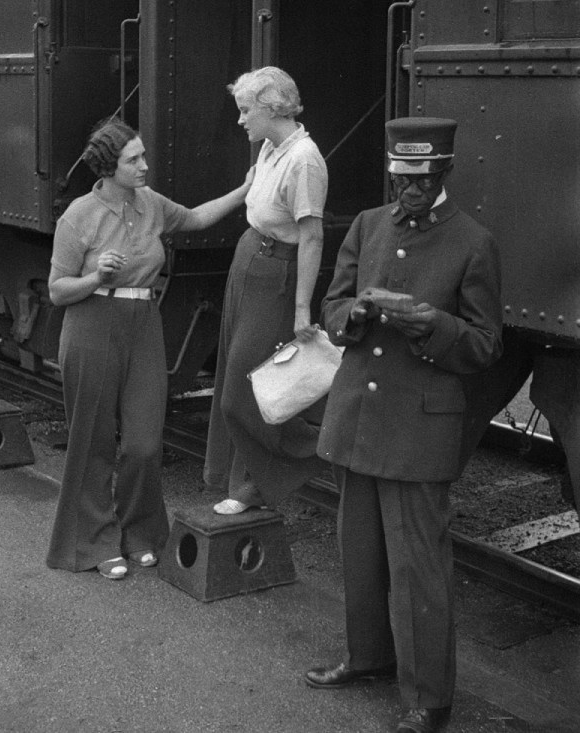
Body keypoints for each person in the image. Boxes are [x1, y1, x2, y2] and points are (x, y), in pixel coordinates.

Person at [305, 117, 503, 733]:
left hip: (418, 429)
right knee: (359, 550)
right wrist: (353, 315)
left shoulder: (472, 242)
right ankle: (367, 658)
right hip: (359, 418)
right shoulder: (368, 225)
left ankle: (428, 698)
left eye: (421, 180)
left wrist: (430, 326)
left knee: (419, 567)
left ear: (443, 173)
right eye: (401, 178)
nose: (409, 190)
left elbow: (485, 346)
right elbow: (331, 305)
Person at [46, 117, 253, 579]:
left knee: (143, 442)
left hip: (144, 324)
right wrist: (96, 275)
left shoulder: (150, 203)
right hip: (92, 322)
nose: (144, 166)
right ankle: (93, 543)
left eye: (143, 156)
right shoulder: (78, 216)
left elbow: (197, 218)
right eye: (133, 159)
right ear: (108, 167)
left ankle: (138, 532)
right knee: (93, 441)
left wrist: (245, 189)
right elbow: (58, 291)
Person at [203, 67, 328, 515]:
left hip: (276, 272)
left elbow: (312, 237)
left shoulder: (304, 159)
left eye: (244, 110)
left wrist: (301, 310)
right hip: (249, 260)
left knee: (245, 390)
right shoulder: (273, 150)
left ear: (272, 107)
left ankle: (318, 449)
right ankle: (243, 485)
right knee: (234, 382)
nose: (240, 120)